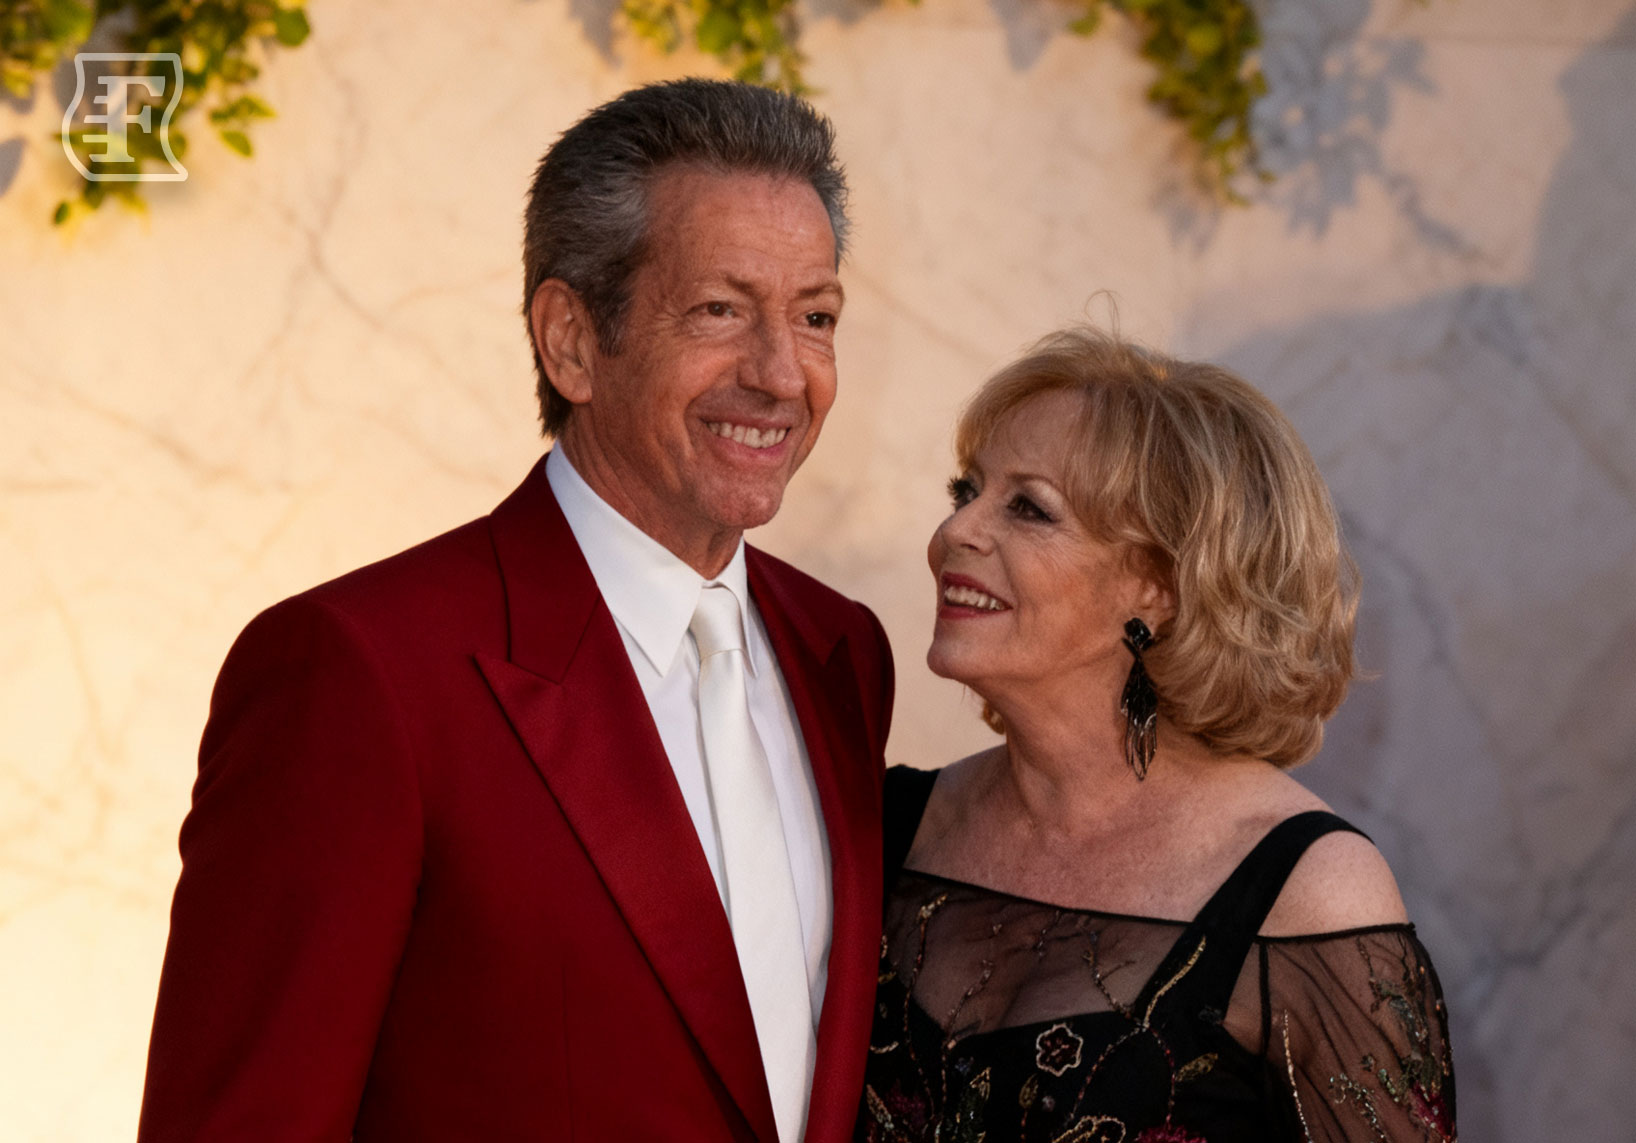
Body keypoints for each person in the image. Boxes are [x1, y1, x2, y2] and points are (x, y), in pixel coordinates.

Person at [137, 79, 893, 1143]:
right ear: (570, 340)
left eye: (814, 317)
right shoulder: (359, 672)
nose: (781, 374)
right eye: (720, 311)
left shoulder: (843, 653)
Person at [857, 327, 1456, 1142]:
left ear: (1162, 584)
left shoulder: (1306, 891)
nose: (955, 530)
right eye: (967, 490)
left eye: (1028, 507)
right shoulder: (885, 820)